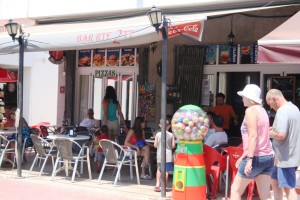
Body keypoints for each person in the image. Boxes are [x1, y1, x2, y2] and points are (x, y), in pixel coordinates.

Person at [230, 84, 274, 200]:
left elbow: (253, 136)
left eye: (244, 96)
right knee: (265, 195)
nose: (242, 99)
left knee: (235, 191)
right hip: (268, 156)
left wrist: (249, 159)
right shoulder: (263, 111)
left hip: (255, 157)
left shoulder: (250, 110)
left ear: (250, 98)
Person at [266, 89, 300, 200]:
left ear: (276, 99)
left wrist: (266, 132)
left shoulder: (282, 111)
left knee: (288, 188)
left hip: (286, 158)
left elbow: (281, 135)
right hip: (286, 156)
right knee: (275, 181)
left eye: (270, 104)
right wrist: (274, 130)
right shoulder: (294, 108)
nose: (271, 107)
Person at [153, 119, 175, 192]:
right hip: (168, 155)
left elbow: (155, 145)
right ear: (169, 126)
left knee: (159, 169)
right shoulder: (171, 135)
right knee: (166, 171)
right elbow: (173, 146)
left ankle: (157, 184)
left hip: (160, 154)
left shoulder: (157, 134)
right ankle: (164, 186)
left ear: (160, 126)